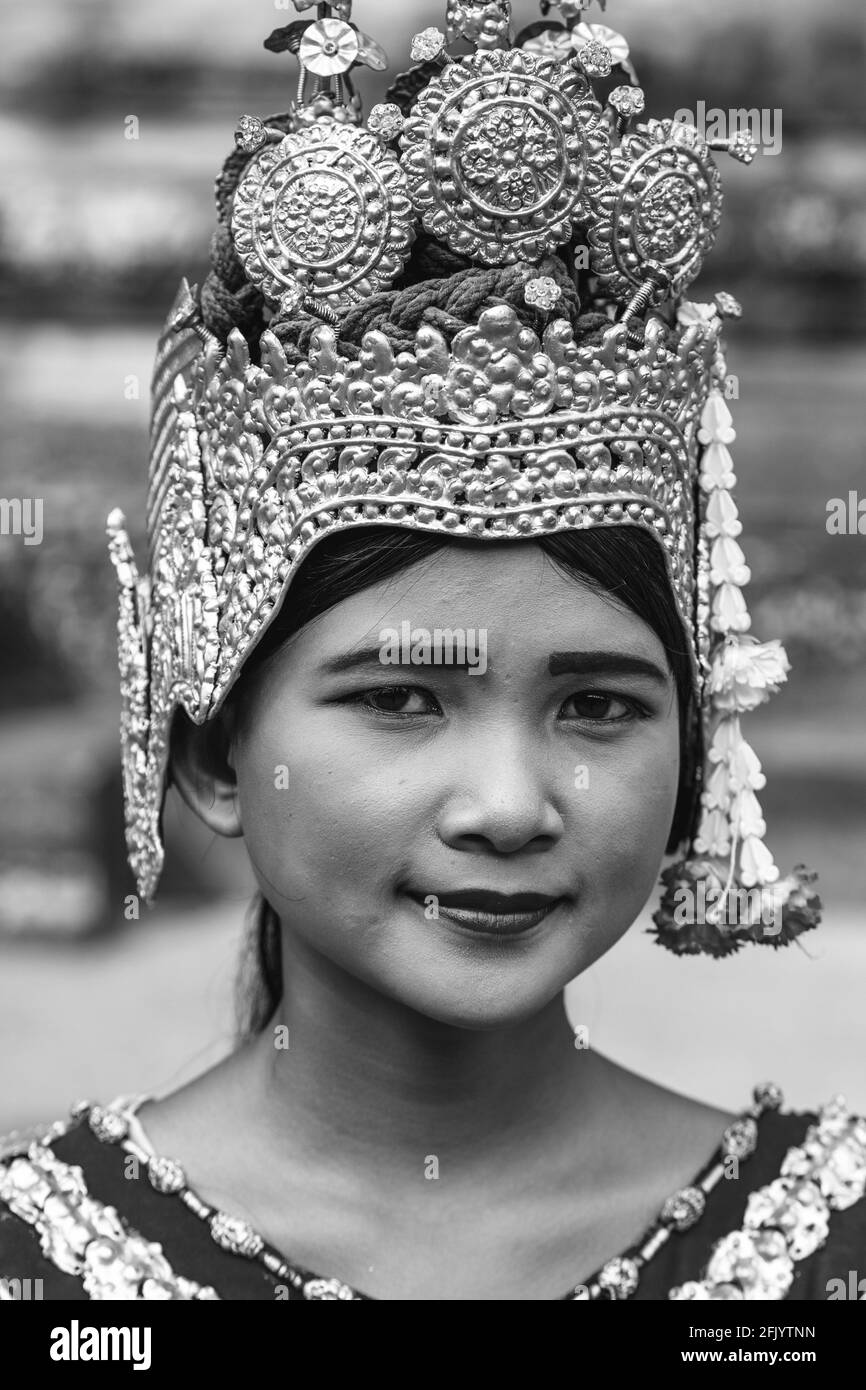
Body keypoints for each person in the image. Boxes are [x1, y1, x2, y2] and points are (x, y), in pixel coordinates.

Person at [1, 0, 863, 1302]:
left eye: (597, 706)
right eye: (402, 696)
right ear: (215, 747)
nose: (510, 805)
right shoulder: (40, 1275)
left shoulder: (828, 1255)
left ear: (696, 742)